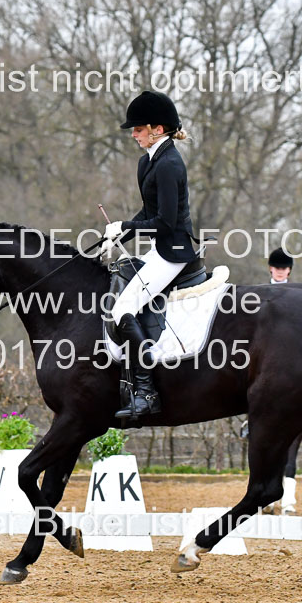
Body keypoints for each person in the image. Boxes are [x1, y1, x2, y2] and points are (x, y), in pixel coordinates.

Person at [103, 90, 198, 419]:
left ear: (158, 129)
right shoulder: (148, 161)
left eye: (139, 129)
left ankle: (146, 392)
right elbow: (149, 210)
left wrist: (127, 225)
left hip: (175, 251)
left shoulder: (170, 164)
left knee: (123, 308)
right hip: (160, 247)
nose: (134, 135)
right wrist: (121, 233)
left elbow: (166, 222)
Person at [269, 247, 301, 512]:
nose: (280, 270)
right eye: (277, 267)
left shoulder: (297, 296)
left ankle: (288, 496)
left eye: (284, 267)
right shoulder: (258, 294)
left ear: (288, 270)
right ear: (271, 268)